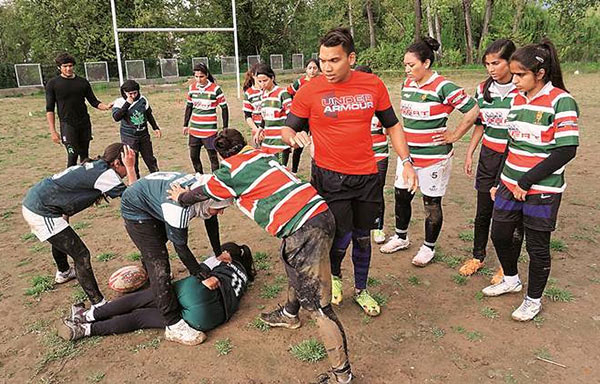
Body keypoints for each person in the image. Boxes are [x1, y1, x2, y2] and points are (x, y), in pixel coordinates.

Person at [168, 129, 353, 384]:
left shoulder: (228, 172)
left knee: (319, 306)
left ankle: (342, 375)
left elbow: (196, 195)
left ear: (220, 155)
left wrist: (180, 196)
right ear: (243, 144)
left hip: (304, 228)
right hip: (320, 213)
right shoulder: (262, 155)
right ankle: (289, 314)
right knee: (294, 262)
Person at [281, 28, 417, 319]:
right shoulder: (310, 89)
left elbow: (392, 124)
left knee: (363, 237)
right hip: (330, 177)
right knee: (339, 236)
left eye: (334, 60)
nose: (326, 68)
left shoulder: (372, 85)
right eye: (322, 60)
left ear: (351, 58)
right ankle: (337, 278)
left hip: (367, 176)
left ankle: (362, 289)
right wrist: (293, 136)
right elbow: (287, 127)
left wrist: (406, 161)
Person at [482, 39, 579, 322]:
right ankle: (511, 278)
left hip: (542, 189)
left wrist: (526, 181)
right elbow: (509, 143)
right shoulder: (515, 99)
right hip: (509, 184)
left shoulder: (562, 101)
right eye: (513, 74)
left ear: (540, 73)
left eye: (520, 75)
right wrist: (501, 179)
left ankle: (533, 299)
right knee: (499, 234)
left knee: (537, 246)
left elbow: (566, 150)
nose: (514, 80)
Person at [379, 37, 479, 268]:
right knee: (401, 195)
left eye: (411, 65)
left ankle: (428, 247)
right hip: (408, 156)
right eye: (405, 65)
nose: (407, 69)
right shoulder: (407, 84)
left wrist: (454, 135)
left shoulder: (444, 86)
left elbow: (473, 110)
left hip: (434, 158)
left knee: (431, 202)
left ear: (426, 63)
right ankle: (401, 237)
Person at [58, 242, 255, 342]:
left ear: (227, 255)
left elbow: (199, 269)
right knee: (140, 318)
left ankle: (88, 315)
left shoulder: (222, 260)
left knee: (144, 298)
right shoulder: (244, 274)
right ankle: (84, 330)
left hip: (202, 292)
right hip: (210, 319)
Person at [120, 171, 232, 345]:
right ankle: (172, 324)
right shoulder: (179, 207)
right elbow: (180, 247)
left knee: (158, 242)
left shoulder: (203, 193)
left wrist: (217, 253)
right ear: (206, 201)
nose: (222, 212)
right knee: (159, 263)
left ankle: (150, 273)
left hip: (152, 199)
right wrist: (203, 276)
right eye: (220, 208)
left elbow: (211, 221)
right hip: (137, 209)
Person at [22, 143, 136, 307]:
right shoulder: (106, 174)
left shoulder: (97, 167)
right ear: (117, 163)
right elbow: (133, 198)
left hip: (42, 201)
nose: (130, 168)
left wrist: (63, 213)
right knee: (81, 255)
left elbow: (69, 186)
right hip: (40, 209)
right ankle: (99, 304)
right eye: (128, 163)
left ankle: (64, 272)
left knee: (61, 235)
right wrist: (131, 169)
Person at [458, 39, 523, 282]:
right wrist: (470, 152)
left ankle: (507, 266)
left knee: (508, 214)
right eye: (487, 64)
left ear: (510, 61)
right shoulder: (483, 88)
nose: (491, 68)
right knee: (483, 210)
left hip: (513, 158)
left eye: (496, 63)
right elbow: (481, 124)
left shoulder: (522, 90)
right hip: (488, 156)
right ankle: (477, 255)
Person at [45, 53, 114, 167]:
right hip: (67, 124)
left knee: (84, 157)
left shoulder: (82, 82)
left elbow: (93, 101)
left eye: (70, 66)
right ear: (59, 67)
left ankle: (83, 182)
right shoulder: (53, 84)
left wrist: (106, 106)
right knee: (72, 155)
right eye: (65, 66)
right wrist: (53, 131)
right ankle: (68, 182)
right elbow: (49, 109)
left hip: (84, 123)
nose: (68, 69)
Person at [355, 65, 389, 244]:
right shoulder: (350, 103)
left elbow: (390, 128)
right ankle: (359, 224)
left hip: (379, 155)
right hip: (357, 156)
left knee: (376, 191)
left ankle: (378, 227)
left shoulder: (380, 102)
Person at [183, 63, 229, 174]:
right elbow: (189, 106)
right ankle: (199, 177)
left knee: (213, 158)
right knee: (194, 156)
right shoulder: (192, 88)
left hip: (209, 131)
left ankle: (215, 179)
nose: (199, 79)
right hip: (194, 130)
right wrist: (185, 124)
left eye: (201, 76)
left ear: (207, 75)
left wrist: (225, 127)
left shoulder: (215, 89)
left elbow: (224, 108)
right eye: (196, 76)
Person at [112, 80, 162, 179]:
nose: (133, 96)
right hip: (129, 137)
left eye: (135, 93)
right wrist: (127, 103)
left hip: (143, 135)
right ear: (124, 92)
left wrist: (155, 127)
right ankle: (136, 182)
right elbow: (116, 117)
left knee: (150, 159)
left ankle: (157, 178)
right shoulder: (119, 102)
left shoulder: (143, 100)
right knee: (133, 161)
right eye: (130, 94)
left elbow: (149, 115)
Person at [253, 63, 293, 166]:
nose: (262, 84)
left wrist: (289, 136)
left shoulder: (282, 93)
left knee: (280, 172)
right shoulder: (263, 95)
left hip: (280, 144)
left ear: (272, 78)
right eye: (260, 81)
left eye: (265, 80)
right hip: (267, 142)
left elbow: (292, 115)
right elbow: (265, 117)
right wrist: (259, 130)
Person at [286, 58, 320, 174]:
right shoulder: (300, 82)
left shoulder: (322, 81)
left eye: (315, 68)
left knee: (318, 145)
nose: (312, 71)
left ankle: (317, 171)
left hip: (317, 118)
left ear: (319, 70)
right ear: (306, 69)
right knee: (299, 144)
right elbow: (288, 92)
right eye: (310, 68)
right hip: (304, 119)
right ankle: (294, 171)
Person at [242, 63, 263, 144]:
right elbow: (247, 116)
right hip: (257, 133)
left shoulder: (272, 90)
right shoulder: (249, 93)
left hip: (273, 133)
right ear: (253, 75)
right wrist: (257, 131)